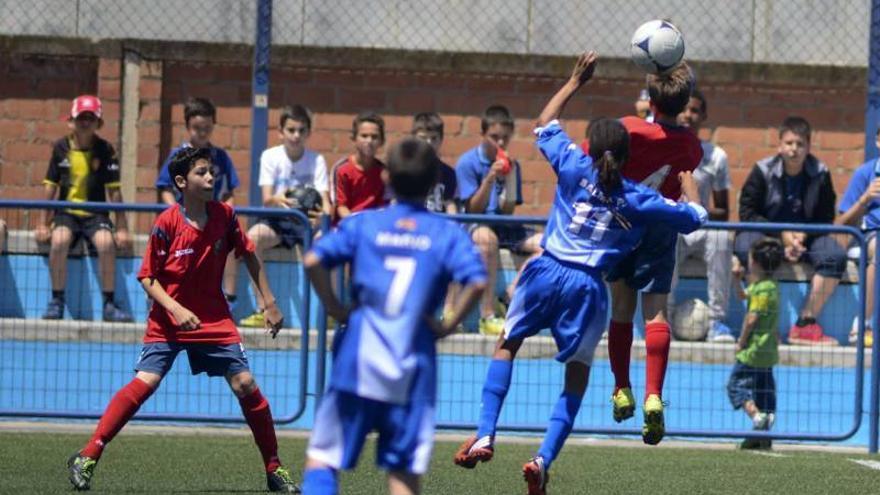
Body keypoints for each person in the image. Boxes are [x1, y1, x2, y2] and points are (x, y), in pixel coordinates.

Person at [453, 52, 708, 495]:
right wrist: (691, 193)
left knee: (507, 344)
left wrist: (574, 82)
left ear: (592, 145)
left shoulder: (573, 165)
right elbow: (695, 218)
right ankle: (542, 458)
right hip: (587, 287)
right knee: (577, 374)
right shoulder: (634, 197)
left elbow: (544, 123)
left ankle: (486, 432)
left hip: (545, 270)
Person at [66, 147, 299, 493]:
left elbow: (249, 255)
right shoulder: (167, 223)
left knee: (246, 384)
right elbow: (147, 277)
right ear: (181, 182)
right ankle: (87, 454)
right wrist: (174, 308)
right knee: (146, 382)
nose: (210, 178)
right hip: (167, 319)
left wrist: (269, 302)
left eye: (212, 172)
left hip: (213, 318)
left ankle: (274, 469)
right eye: (202, 172)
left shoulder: (226, 216)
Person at [301, 138, 487, 495]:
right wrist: (447, 325)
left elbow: (312, 261)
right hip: (412, 364)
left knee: (323, 460)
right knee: (402, 476)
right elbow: (477, 281)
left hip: (358, 358)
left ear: (386, 178)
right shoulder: (445, 233)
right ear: (435, 182)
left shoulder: (363, 225)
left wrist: (334, 306)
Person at [586, 62, 702, 443]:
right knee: (656, 312)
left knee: (621, 309)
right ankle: (654, 397)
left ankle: (622, 387)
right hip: (661, 228)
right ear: (686, 103)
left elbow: (593, 148)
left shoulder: (628, 128)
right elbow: (687, 167)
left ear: (648, 98)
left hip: (621, 226)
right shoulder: (690, 144)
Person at [736, 116, 845, 346]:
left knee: (834, 255)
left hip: (807, 237)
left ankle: (805, 324)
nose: (794, 149)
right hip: (767, 234)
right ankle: (764, 326)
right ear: (779, 145)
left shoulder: (821, 173)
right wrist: (781, 235)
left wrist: (803, 235)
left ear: (808, 147)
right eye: (789, 143)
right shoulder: (762, 170)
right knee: (746, 245)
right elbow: (747, 212)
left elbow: (826, 216)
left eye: (800, 144)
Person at [35, 95, 133, 322]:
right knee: (59, 241)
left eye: (91, 118)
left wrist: (122, 228)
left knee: (106, 244)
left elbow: (115, 192)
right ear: (71, 121)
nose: (85, 122)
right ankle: (56, 300)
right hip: (66, 213)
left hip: (95, 214)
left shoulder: (106, 150)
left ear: (99, 123)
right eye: (81, 117)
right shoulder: (60, 148)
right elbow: (50, 186)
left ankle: (109, 304)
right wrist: (42, 223)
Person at [238, 104, 331, 328]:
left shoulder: (316, 160)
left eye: (301, 130)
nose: (296, 135)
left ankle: (329, 310)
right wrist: (280, 199)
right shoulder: (270, 156)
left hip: (307, 222)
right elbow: (267, 198)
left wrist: (321, 217)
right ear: (281, 132)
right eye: (291, 130)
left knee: (330, 241)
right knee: (251, 239)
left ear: (308, 133)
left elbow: (326, 204)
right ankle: (263, 307)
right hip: (279, 219)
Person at [456, 105, 543, 336]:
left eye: (505, 138)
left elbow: (507, 210)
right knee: (487, 240)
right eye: (495, 138)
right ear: (483, 135)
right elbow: (472, 208)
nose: (501, 144)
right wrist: (490, 179)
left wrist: (510, 179)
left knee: (547, 244)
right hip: (476, 224)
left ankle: (508, 294)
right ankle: (487, 315)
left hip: (504, 225)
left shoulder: (513, 165)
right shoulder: (467, 163)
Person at [155, 97, 241, 307]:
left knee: (231, 243)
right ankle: (167, 296)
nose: (202, 133)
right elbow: (164, 188)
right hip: (185, 219)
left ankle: (228, 298)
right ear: (187, 127)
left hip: (213, 218)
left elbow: (230, 191)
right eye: (196, 128)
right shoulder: (177, 156)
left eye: (207, 128)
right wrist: (176, 213)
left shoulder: (220, 156)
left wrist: (227, 214)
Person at [668, 89, 735, 342]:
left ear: (703, 116)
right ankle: (665, 316)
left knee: (721, 238)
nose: (688, 115)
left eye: (695, 110)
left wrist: (696, 207)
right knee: (665, 235)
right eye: (684, 109)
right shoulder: (664, 148)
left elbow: (723, 211)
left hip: (702, 225)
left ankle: (718, 322)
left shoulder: (716, 156)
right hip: (674, 225)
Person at [728, 237, 783, 450]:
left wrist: (741, 342)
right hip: (769, 352)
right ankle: (763, 434)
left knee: (735, 386)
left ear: (756, 263)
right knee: (765, 391)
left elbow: (752, 317)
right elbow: (743, 295)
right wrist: (737, 279)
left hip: (753, 351)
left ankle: (756, 416)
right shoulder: (770, 286)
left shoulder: (761, 290)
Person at [837, 128, 880, 347]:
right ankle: (863, 325)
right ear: (878, 141)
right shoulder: (865, 173)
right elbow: (842, 223)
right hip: (870, 235)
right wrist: (865, 199)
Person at [331, 111, 387, 222]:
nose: (369, 141)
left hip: (374, 227)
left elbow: (385, 207)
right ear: (354, 139)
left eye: (374, 137)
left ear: (381, 141)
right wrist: (357, 225)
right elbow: (341, 207)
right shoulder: (341, 169)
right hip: (347, 227)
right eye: (364, 136)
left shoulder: (384, 172)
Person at [411, 112, 457, 215]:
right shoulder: (405, 170)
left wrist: (453, 223)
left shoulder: (448, 173)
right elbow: (396, 203)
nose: (429, 143)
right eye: (423, 138)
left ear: (441, 140)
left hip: (438, 225)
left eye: (434, 138)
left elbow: (450, 204)